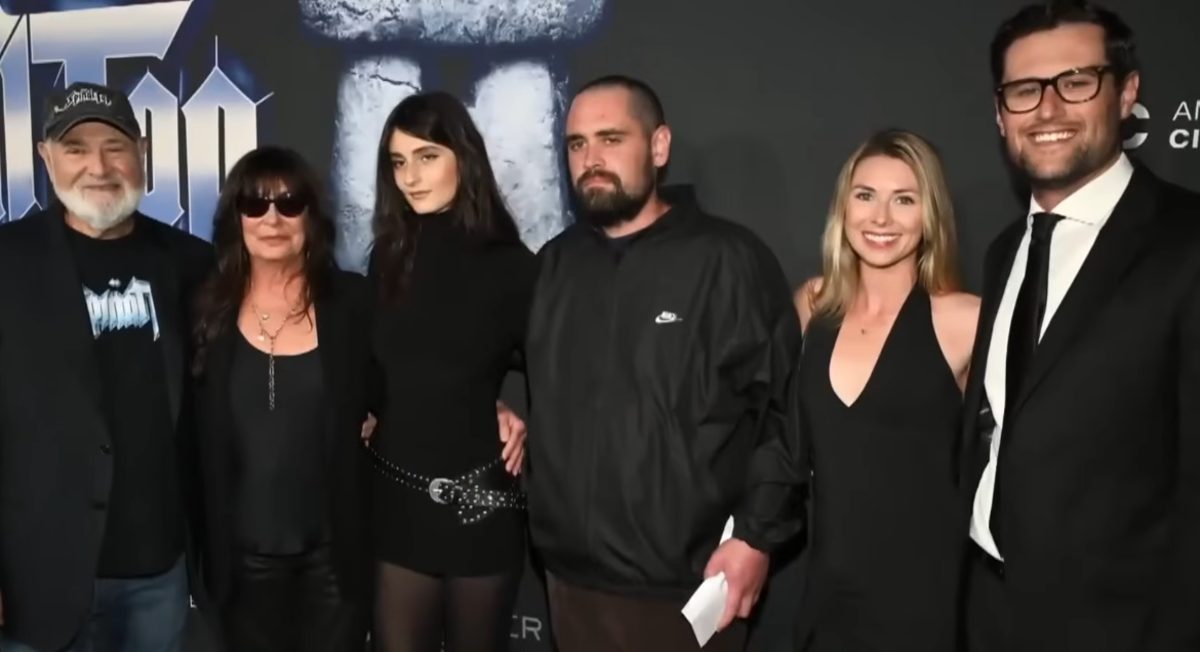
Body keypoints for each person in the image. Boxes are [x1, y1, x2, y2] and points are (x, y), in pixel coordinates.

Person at [521, 74, 806, 652]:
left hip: (689, 590)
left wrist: (757, 537)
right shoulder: (553, 267)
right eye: (577, 144)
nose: (591, 159)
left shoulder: (730, 261)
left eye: (610, 139)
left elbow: (785, 413)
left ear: (659, 146)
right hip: (569, 584)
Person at [961, 2, 1200, 651]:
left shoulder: (1186, 242)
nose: (1047, 109)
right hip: (989, 608)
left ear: (1127, 93)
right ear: (999, 112)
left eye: (1076, 82)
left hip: (1121, 626)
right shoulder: (1006, 249)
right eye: (1024, 90)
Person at [0, 82, 212, 652]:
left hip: (161, 575)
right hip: (38, 582)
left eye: (115, 146)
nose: (98, 166)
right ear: (46, 158)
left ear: (142, 151)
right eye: (75, 149)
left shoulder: (194, 263)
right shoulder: (7, 263)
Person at [791, 129, 977, 652]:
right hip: (827, 596)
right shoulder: (812, 306)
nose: (880, 218)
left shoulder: (965, 320)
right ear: (843, 206)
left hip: (927, 602)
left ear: (930, 214)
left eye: (904, 200)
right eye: (865, 195)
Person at [365, 91, 536, 652]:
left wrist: (518, 412)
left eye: (427, 156)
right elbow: (383, 371)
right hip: (398, 500)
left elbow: (563, 373)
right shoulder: (387, 257)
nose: (410, 176)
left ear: (464, 157)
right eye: (398, 161)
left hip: (480, 503)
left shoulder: (513, 267)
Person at [190, 146, 373, 651]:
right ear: (236, 217)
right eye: (255, 204)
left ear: (312, 216)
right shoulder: (204, 310)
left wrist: (493, 405)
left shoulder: (354, 304)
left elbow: (412, 382)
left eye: (290, 203)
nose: (272, 218)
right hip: (240, 566)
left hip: (334, 562)